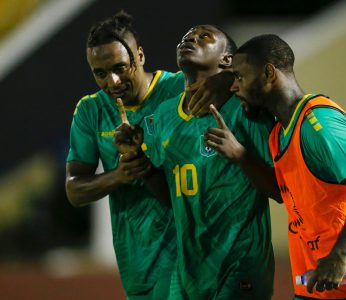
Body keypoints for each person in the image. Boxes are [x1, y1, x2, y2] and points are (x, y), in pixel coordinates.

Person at [205, 34, 346, 299]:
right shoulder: (279, 133)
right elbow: (285, 194)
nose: (235, 87)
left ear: (269, 74)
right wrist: (241, 156)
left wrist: (338, 256)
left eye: (240, 77)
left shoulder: (318, 124)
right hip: (320, 285)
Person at [65, 11, 232, 299]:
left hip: (190, 249)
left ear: (140, 56)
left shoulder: (179, 88)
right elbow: (75, 190)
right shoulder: (91, 111)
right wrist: (121, 174)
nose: (113, 81)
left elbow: (244, 75)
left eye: (120, 67)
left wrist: (225, 78)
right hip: (137, 257)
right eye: (100, 73)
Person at [118, 25, 277, 299]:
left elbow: (280, 190)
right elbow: (173, 197)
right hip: (189, 270)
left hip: (239, 265)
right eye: (186, 37)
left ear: (227, 59)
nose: (190, 39)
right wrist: (138, 159)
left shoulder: (246, 108)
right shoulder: (165, 114)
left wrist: (240, 154)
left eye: (204, 37)